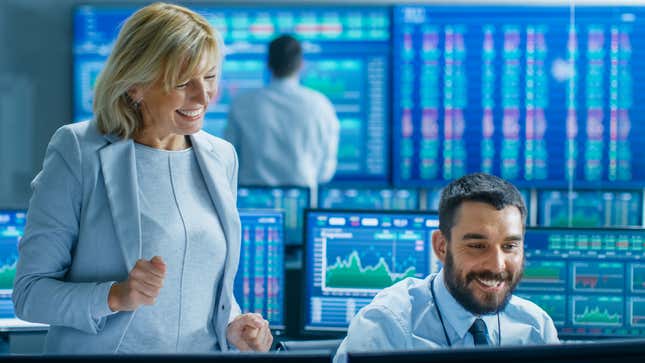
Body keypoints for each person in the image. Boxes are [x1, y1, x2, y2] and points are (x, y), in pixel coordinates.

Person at [13, 3, 272, 354]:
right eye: (182, 82)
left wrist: (234, 327)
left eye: (209, 77)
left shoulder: (221, 156)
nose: (203, 96)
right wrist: (115, 296)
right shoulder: (77, 149)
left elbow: (203, 291)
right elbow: (30, 294)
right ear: (135, 86)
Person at [334, 173, 559, 361]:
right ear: (441, 246)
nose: (497, 265)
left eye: (510, 246)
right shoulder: (387, 326)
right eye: (478, 246)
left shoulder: (536, 328)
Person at [224, 34, 340, 192]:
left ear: (269, 64)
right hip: (303, 200)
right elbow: (325, 171)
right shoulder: (321, 105)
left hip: (253, 201)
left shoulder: (243, 103)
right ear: (301, 64)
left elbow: (229, 160)